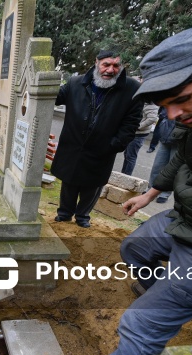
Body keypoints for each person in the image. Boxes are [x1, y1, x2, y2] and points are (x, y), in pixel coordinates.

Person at [107, 23, 192, 355]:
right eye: (166, 105)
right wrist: (151, 193)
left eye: (181, 100)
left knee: (139, 325)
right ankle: (162, 291)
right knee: (134, 246)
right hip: (185, 219)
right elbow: (183, 155)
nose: (173, 115)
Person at [51, 50, 143, 228]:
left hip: (103, 148)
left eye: (116, 65)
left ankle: (83, 216)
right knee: (69, 181)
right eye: (106, 64)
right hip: (73, 145)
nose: (110, 70)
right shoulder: (75, 83)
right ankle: (64, 214)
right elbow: (54, 97)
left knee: (92, 186)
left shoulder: (131, 88)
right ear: (96, 63)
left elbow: (132, 122)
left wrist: (115, 144)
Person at [146, 107, 178, 204]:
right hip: (165, 137)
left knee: (172, 169)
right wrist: (164, 119)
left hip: (179, 141)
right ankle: (150, 189)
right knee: (157, 166)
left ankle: (165, 193)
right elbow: (164, 110)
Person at [121, 100, 159, 175]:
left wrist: (138, 126)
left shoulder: (151, 103)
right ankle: (123, 174)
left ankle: (126, 176)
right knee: (127, 154)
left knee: (130, 156)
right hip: (134, 132)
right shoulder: (143, 100)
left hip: (139, 134)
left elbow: (152, 118)